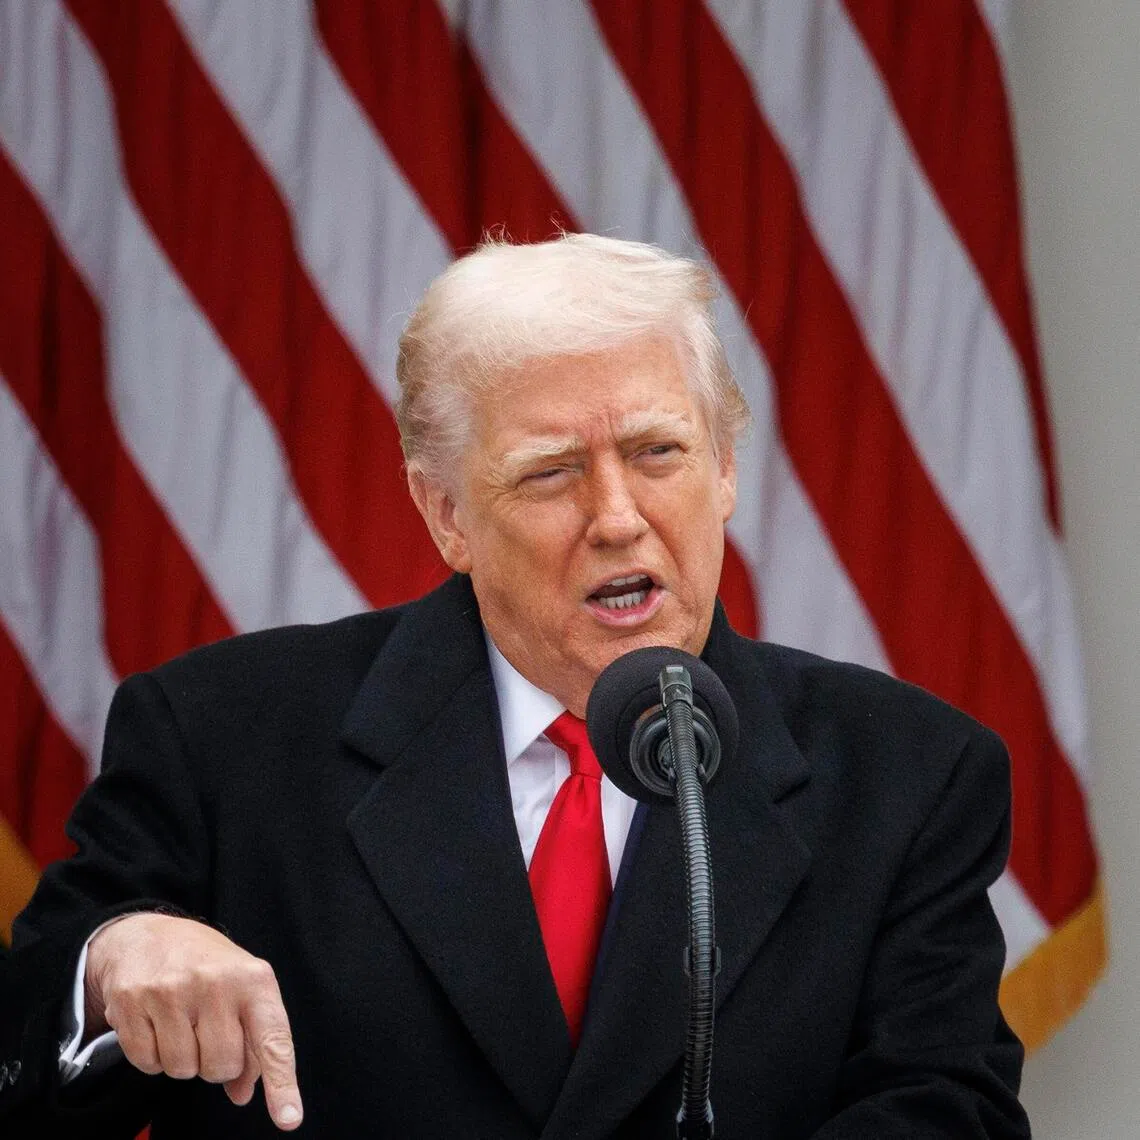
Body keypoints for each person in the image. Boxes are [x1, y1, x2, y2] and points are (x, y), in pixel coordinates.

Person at [0, 234, 1030, 1138]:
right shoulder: (223, 738)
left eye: (658, 452)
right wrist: (108, 965)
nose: (618, 517)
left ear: (724, 469)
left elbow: (949, 1107)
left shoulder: (911, 775)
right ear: (446, 513)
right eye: (551, 472)